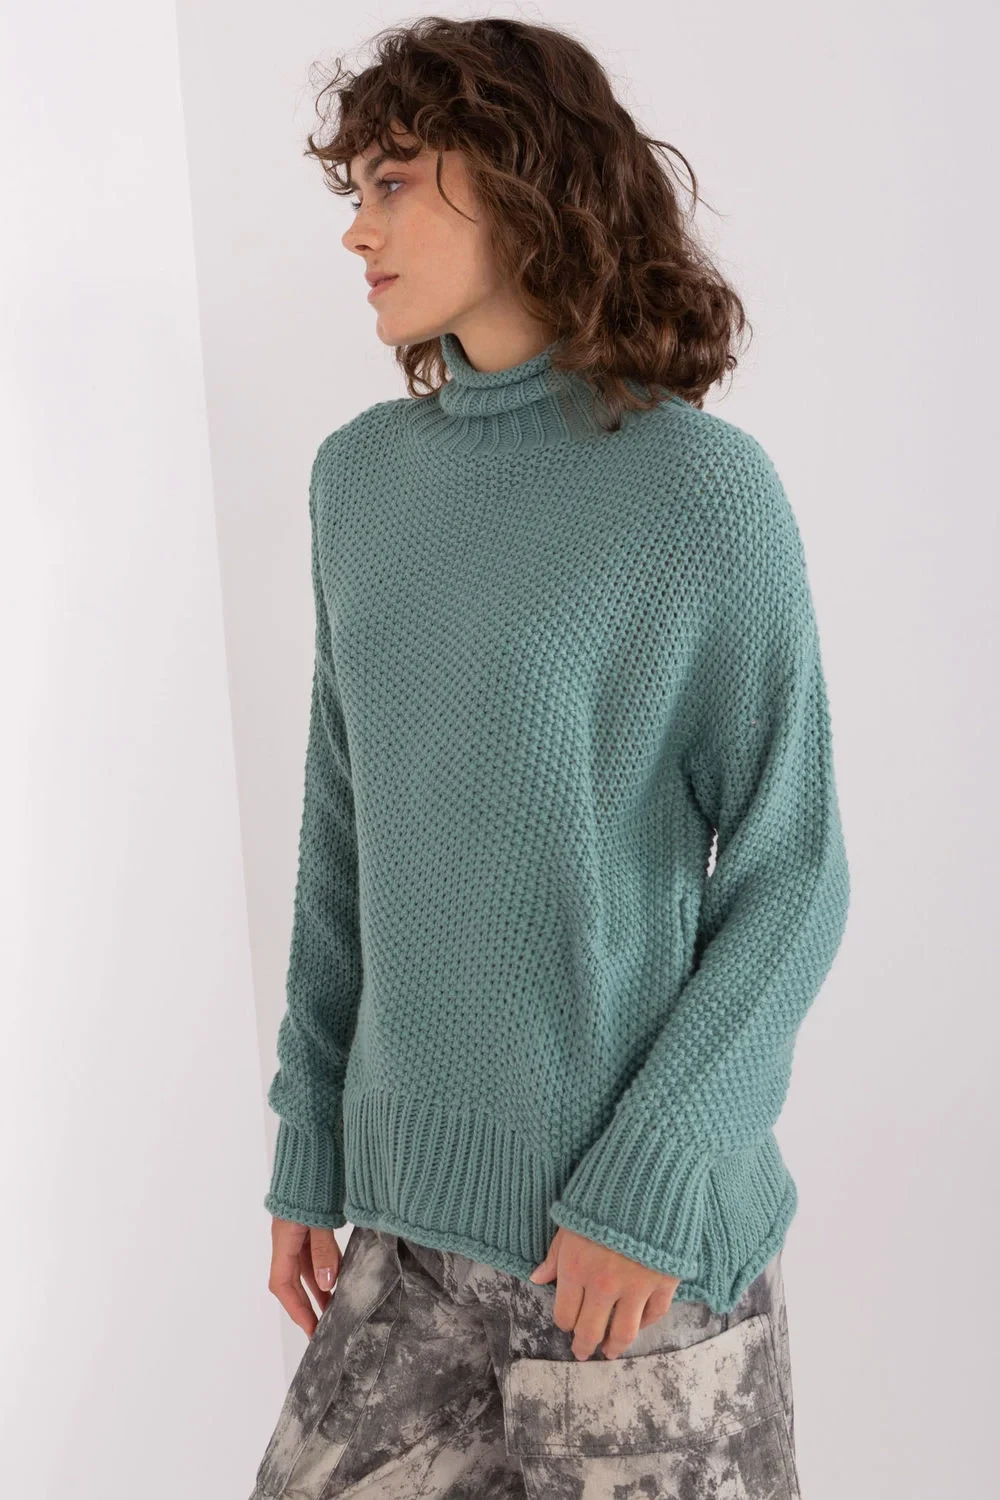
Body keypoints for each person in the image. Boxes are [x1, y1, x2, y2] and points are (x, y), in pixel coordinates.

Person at [250, 16, 849, 1499]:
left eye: (395, 183)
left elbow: (792, 875)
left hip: (634, 1265)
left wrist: (654, 1179)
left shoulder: (700, 493)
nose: (357, 231)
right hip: (404, 1241)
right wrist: (307, 1136)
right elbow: (344, 830)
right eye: (355, 191)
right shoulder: (360, 483)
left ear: (522, 182)